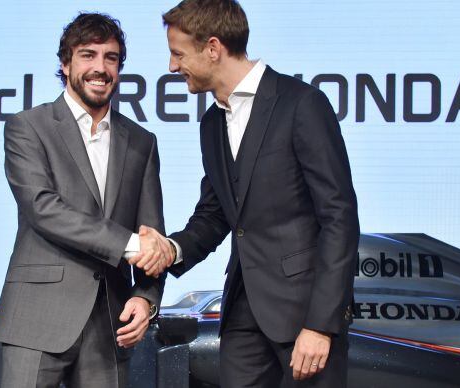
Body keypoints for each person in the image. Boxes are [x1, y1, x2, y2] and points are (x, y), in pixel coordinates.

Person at [137, 0, 360, 386]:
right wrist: (171, 249)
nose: (172, 66)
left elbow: (339, 217)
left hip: (303, 317)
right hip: (242, 314)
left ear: (212, 47)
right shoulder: (211, 123)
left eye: (177, 53)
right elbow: (216, 213)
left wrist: (321, 325)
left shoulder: (301, 104)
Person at [0, 12, 171, 388]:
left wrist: (146, 299)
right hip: (37, 318)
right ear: (66, 62)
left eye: (111, 58)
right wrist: (131, 244)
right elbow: (44, 209)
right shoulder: (28, 127)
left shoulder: (141, 142)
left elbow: (152, 231)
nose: (100, 68)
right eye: (88, 55)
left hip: (110, 324)